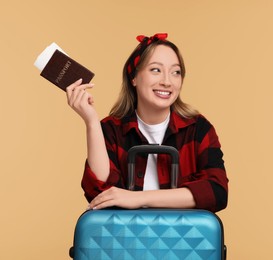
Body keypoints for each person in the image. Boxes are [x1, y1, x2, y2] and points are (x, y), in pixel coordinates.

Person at [66, 33, 228, 213]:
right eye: (156, 70)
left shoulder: (198, 129)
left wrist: (137, 198)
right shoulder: (111, 130)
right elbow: (101, 195)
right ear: (134, 78)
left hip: (182, 239)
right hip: (124, 239)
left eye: (176, 72)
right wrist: (91, 122)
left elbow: (217, 192)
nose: (167, 82)